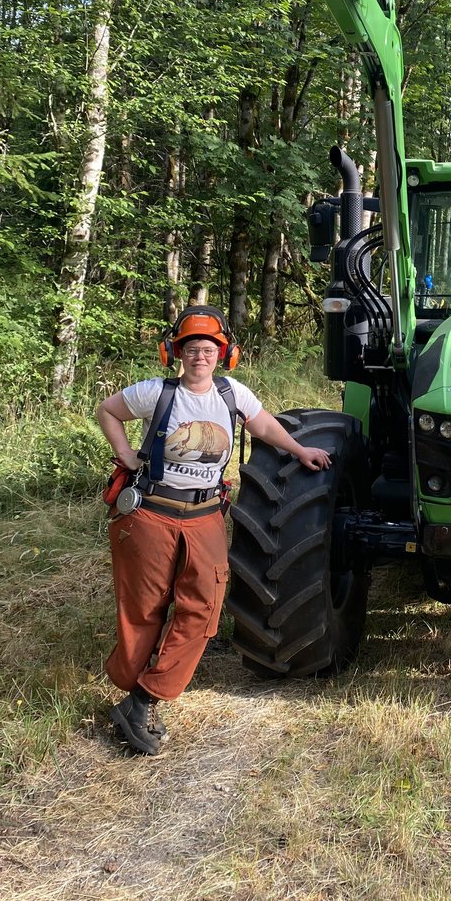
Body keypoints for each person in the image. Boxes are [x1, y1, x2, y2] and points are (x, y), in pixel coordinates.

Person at [96, 304, 330, 756]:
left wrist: (299, 449)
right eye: (191, 349)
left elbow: (262, 424)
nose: (200, 356)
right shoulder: (156, 393)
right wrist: (124, 451)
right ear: (175, 353)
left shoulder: (232, 393)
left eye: (208, 348)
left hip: (204, 516)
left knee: (203, 607)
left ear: (225, 354)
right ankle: (131, 690)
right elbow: (107, 411)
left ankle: (144, 697)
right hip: (151, 513)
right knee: (144, 607)